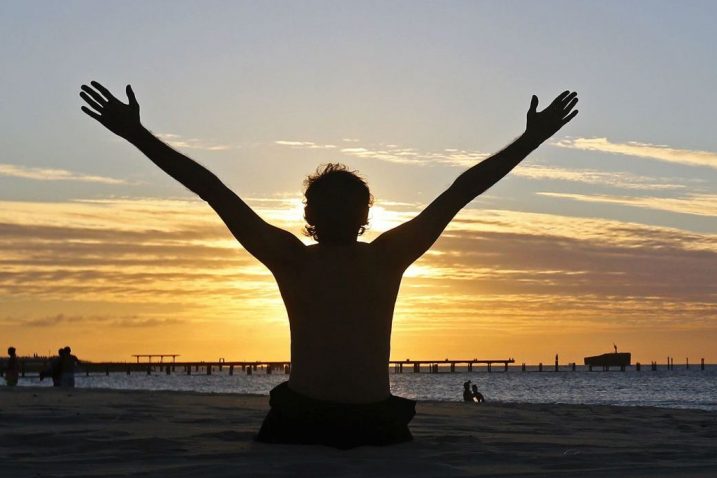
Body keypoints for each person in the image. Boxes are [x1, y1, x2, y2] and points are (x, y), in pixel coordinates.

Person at [80, 81, 578, 448]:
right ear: (312, 216)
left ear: (364, 215)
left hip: (370, 419)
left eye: (349, 203)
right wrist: (136, 135)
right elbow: (212, 189)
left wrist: (531, 139)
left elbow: (461, 191)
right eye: (332, 204)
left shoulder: (374, 257)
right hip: (305, 416)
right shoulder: (303, 258)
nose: (341, 212)